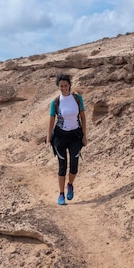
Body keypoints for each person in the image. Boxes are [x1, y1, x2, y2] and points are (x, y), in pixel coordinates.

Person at [46, 73, 87, 205]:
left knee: (74, 166)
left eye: (65, 85)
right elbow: (51, 121)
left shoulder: (77, 98)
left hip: (75, 135)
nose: (63, 88)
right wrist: (48, 139)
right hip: (60, 137)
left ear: (69, 85)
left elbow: (83, 118)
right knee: (62, 166)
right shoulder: (56, 102)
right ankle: (61, 194)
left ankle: (70, 184)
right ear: (58, 87)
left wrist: (85, 135)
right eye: (61, 86)